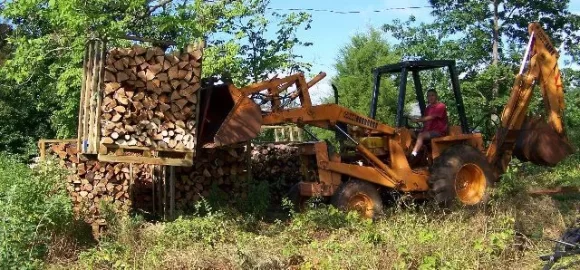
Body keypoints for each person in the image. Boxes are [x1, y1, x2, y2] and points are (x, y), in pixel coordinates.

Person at [409, 89, 448, 158]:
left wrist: (416, 120)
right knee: (410, 131)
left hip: (438, 132)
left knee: (421, 135)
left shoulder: (441, 106)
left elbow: (431, 117)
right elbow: (425, 120)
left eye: (432, 95)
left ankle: (413, 154)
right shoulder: (428, 108)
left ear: (436, 96)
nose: (430, 97)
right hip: (429, 131)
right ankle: (417, 150)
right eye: (428, 96)